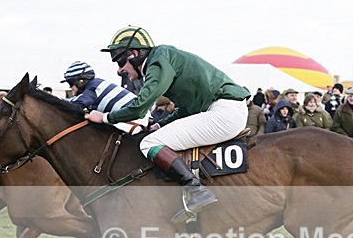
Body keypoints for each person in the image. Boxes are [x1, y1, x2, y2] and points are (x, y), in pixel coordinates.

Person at [85, 26, 250, 222]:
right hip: (225, 109)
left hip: (224, 112)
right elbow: (186, 109)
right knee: (155, 136)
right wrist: (160, 125)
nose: (120, 69)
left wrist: (104, 117)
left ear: (135, 54)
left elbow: (139, 107)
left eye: (120, 60)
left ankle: (197, 192)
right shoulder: (164, 58)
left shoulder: (158, 60)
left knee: (148, 144)